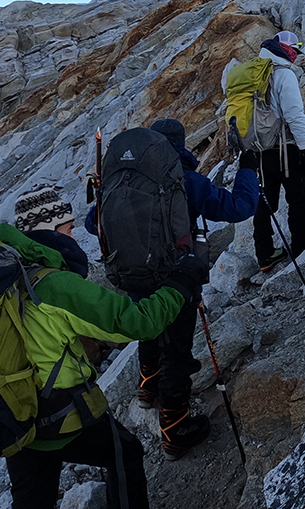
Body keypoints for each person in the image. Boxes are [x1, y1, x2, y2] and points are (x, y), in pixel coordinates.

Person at [1, 184, 203, 509]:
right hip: (59, 410)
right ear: (50, 231)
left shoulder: (5, 273)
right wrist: (181, 282)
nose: (74, 235)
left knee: (32, 497)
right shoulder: (55, 285)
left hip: (10, 411)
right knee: (124, 453)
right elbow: (137, 323)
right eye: (67, 228)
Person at [82, 118, 260, 454]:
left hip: (132, 273)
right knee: (178, 348)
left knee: (147, 326)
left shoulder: (120, 181)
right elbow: (240, 207)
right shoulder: (186, 181)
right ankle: (174, 427)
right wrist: (248, 168)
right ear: (179, 145)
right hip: (176, 278)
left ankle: (148, 386)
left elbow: (93, 224)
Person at [248, 31, 305, 271]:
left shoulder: (253, 73)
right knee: (298, 199)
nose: (297, 56)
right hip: (284, 148)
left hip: (258, 149)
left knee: (265, 202)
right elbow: (294, 115)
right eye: (295, 50)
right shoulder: (283, 75)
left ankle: (265, 255)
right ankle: (302, 248)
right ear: (286, 49)